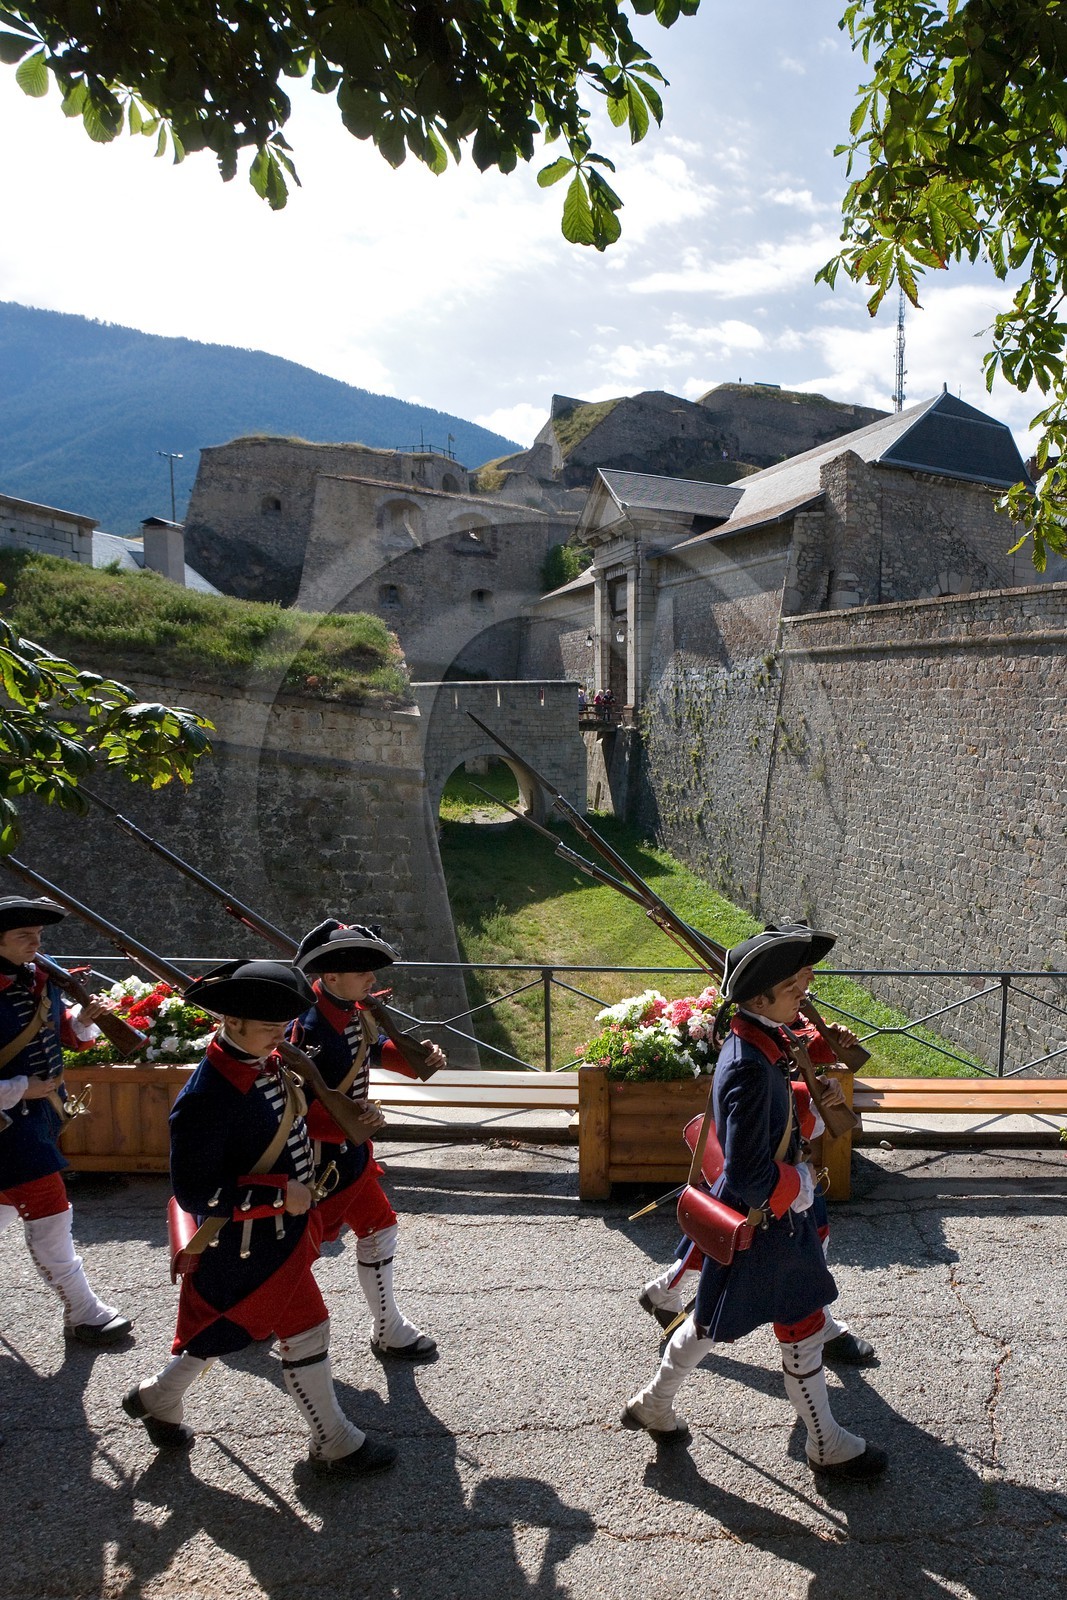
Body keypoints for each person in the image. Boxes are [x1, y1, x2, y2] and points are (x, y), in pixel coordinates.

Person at [623, 925, 888, 1481]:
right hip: (770, 1221)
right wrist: (798, 1182)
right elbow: (747, 1172)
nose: (807, 988)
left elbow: (774, 1106)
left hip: (765, 1222)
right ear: (759, 999)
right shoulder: (748, 1063)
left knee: (714, 1320)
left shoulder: (763, 1038)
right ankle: (826, 1445)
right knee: (798, 1325)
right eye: (795, 984)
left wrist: (809, 1095)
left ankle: (654, 1404)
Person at [122, 959, 395, 1477]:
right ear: (231, 1021)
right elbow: (196, 1189)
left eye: (280, 1022)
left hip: (279, 1234)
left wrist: (356, 1120)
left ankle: (158, 1397)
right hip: (246, 1240)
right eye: (267, 1023)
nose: (279, 1033)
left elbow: (291, 1125)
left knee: (222, 1328)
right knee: (305, 1328)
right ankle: (334, 1441)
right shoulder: (206, 1098)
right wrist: (275, 1193)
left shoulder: (265, 1063)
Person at [638, 954, 875, 1368]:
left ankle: (663, 1298)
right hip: (775, 1168)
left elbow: (789, 1052)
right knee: (733, 1262)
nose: (808, 981)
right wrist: (810, 1094)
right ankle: (660, 1386)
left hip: (790, 1162)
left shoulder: (779, 1019)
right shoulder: (754, 1042)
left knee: (802, 1242)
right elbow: (772, 1079)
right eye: (800, 974)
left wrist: (821, 1051)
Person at [291, 920, 445, 1361]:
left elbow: (371, 1051)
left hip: (351, 1151)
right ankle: (249, 1313)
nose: (373, 980)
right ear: (331, 977)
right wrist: (353, 1121)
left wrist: (418, 1059)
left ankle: (389, 1329)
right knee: (296, 1256)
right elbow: (296, 1103)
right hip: (318, 1162)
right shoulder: (306, 1027)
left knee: (380, 1229)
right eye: (363, 973)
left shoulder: (354, 1011)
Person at [0, 894, 131, 1346]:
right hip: (8, 1124)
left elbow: (61, 1038)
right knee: (52, 1213)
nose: (35, 943)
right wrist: (17, 1088)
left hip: (42, 1114)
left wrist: (84, 1020)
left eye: (38, 935)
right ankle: (84, 1312)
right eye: (24, 936)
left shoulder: (42, 973)